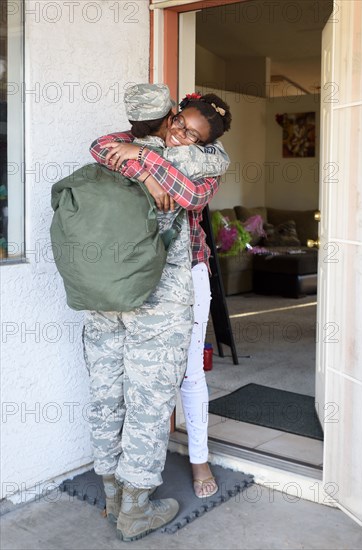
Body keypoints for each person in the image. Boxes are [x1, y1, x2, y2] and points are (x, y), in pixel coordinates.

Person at [90, 89, 232, 500]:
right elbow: (99, 146)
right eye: (179, 123)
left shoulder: (208, 165)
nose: (179, 134)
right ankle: (124, 476)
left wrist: (145, 161)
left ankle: (198, 458)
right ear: (170, 114)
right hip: (132, 273)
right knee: (126, 380)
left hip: (186, 275)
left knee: (188, 372)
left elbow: (190, 196)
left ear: (206, 145)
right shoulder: (146, 140)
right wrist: (150, 170)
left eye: (192, 135)